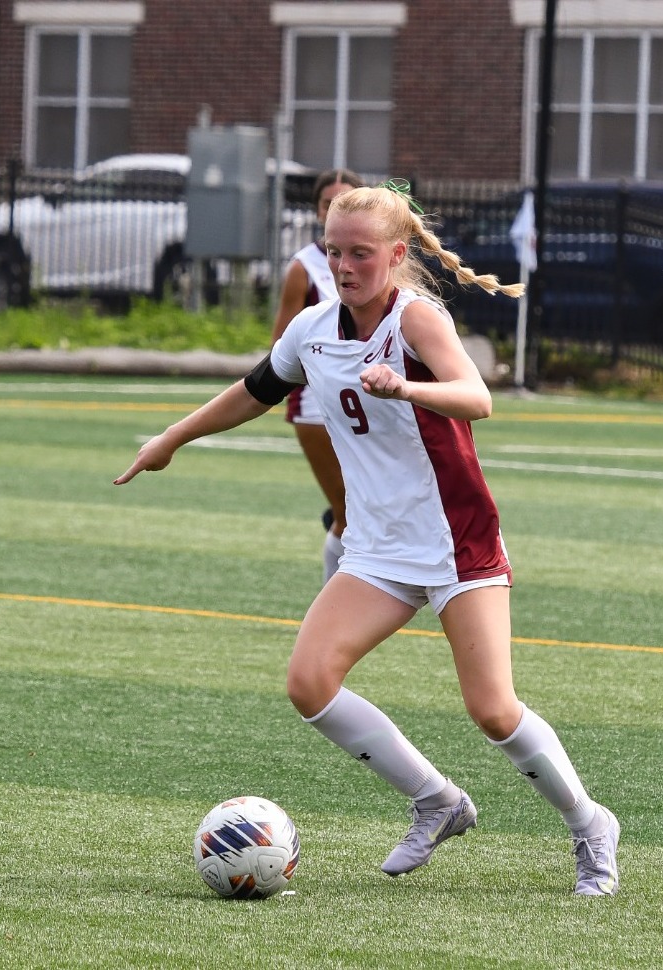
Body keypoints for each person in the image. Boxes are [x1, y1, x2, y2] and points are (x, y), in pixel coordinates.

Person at [116, 182, 621, 896]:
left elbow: (476, 397)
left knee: (492, 709)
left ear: (394, 254)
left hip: (455, 540)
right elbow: (253, 389)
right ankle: (436, 800)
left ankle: (589, 825)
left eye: (359, 254)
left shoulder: (416, 320)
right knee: (309, 681)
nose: (344, 266)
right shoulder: (312, 327)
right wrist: (170, 439)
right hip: (378, 547)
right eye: (333, 252)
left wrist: (405, 389)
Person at [273, 168, 366, 583]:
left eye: (348, 200)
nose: (337, 209)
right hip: (315, 404)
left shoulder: (377, 263)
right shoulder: (305, 266)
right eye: (330, 203)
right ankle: (332, 611)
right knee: (347, 512)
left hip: (365, 402)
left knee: (368, 508)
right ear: (317, 210)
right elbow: (280, 348)